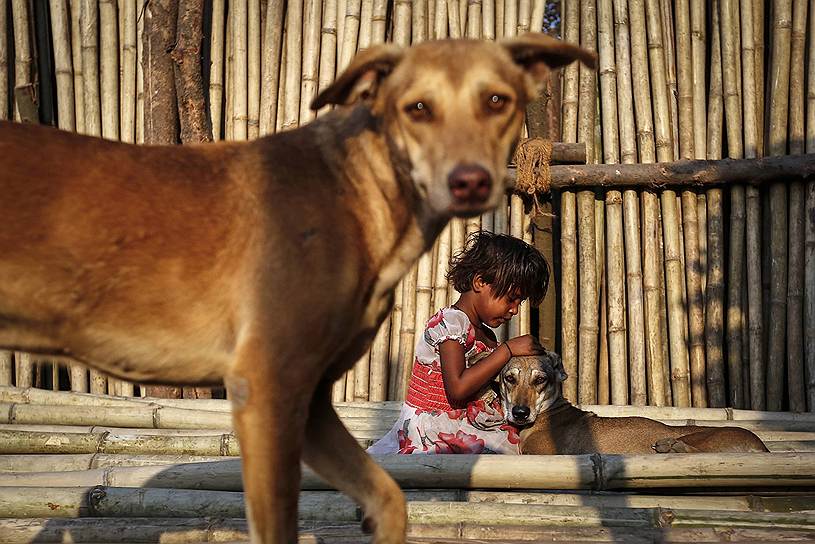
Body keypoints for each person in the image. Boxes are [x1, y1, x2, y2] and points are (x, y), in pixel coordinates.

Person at [367, 231, 549, 455]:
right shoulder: (450, 324)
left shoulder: (487, 336)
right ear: (480, 281)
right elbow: (458, 388)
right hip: (434, 431)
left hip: (470, 425)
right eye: (511, 299)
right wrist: (507, 350)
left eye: (520, 303)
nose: (514, 310)